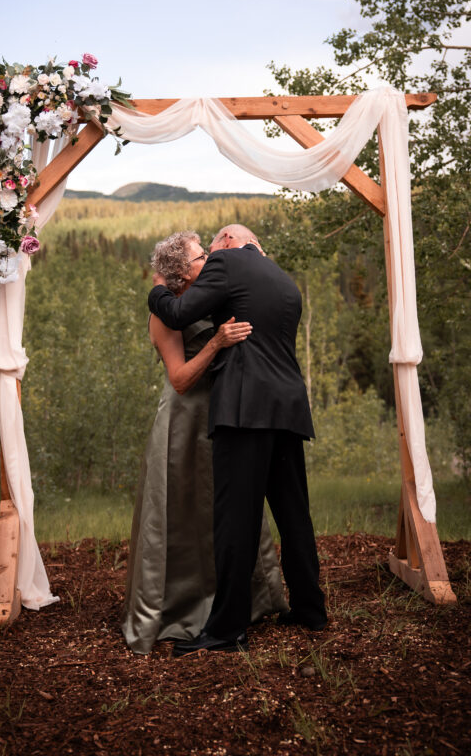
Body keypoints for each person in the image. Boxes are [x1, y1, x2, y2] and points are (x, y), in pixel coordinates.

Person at [148, 224, 327, 655]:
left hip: (245, 409)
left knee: (235, 523)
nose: (209, 260)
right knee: (294, 515)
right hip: (288, 407)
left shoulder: (228, 261)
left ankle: (227, 630)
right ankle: (311, 608)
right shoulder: (283, 280)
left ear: (229, 241)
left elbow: (176, 313)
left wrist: (157, 286)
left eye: (210, 250)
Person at [121, 230, 287, 655]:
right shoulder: (165, 315)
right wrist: (217, 342)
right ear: (181, 273)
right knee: (180, 518)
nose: (211, 258)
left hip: (222, 419)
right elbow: (178, 380)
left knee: (225, 513)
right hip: (183, 422)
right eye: (201, 256)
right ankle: (178, 608)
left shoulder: (211, 296)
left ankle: (237, 604)